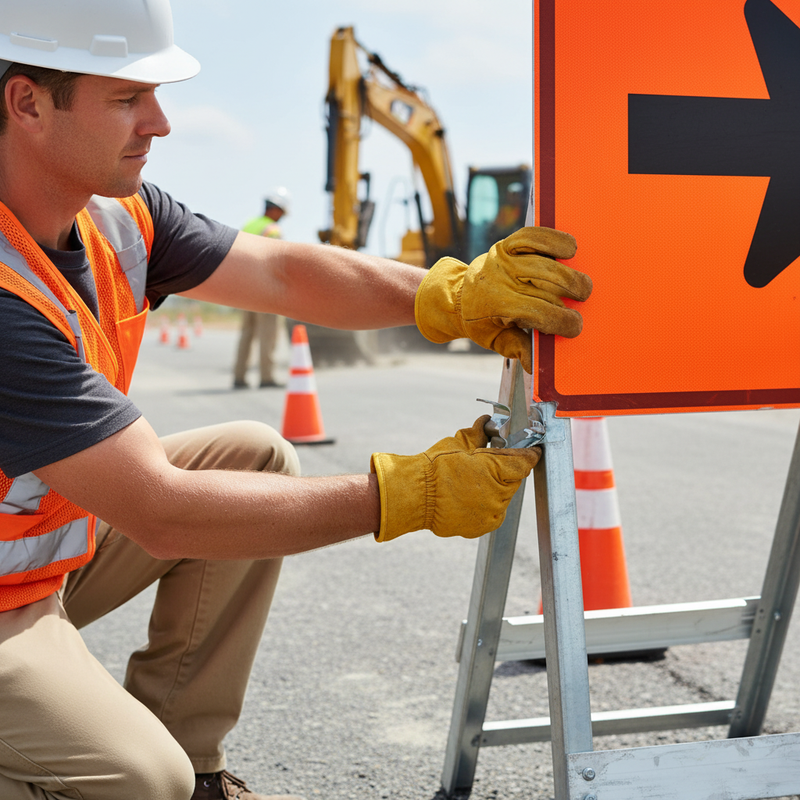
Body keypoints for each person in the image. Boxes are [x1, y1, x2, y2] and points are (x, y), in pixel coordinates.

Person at [0, 2, 593, 800]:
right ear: (28, 102)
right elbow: (163, 510)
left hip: (37, 564)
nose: (161, 122)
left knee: (256, 455)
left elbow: (281, 274)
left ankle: (196, 765)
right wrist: (402, 494)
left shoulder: (116, 217)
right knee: (140, 779)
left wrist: (451, 295)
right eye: (126, 99)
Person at [233, 189, 290, 389]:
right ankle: (267, 376)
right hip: (265, 291)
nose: (282, 216)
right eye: (282, 211)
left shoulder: (250, 225)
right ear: (275, 210)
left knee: (247, 333)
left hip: (245, 289)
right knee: (268, 333)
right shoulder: (272, 230)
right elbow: (276, 262)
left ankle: (239, 376)